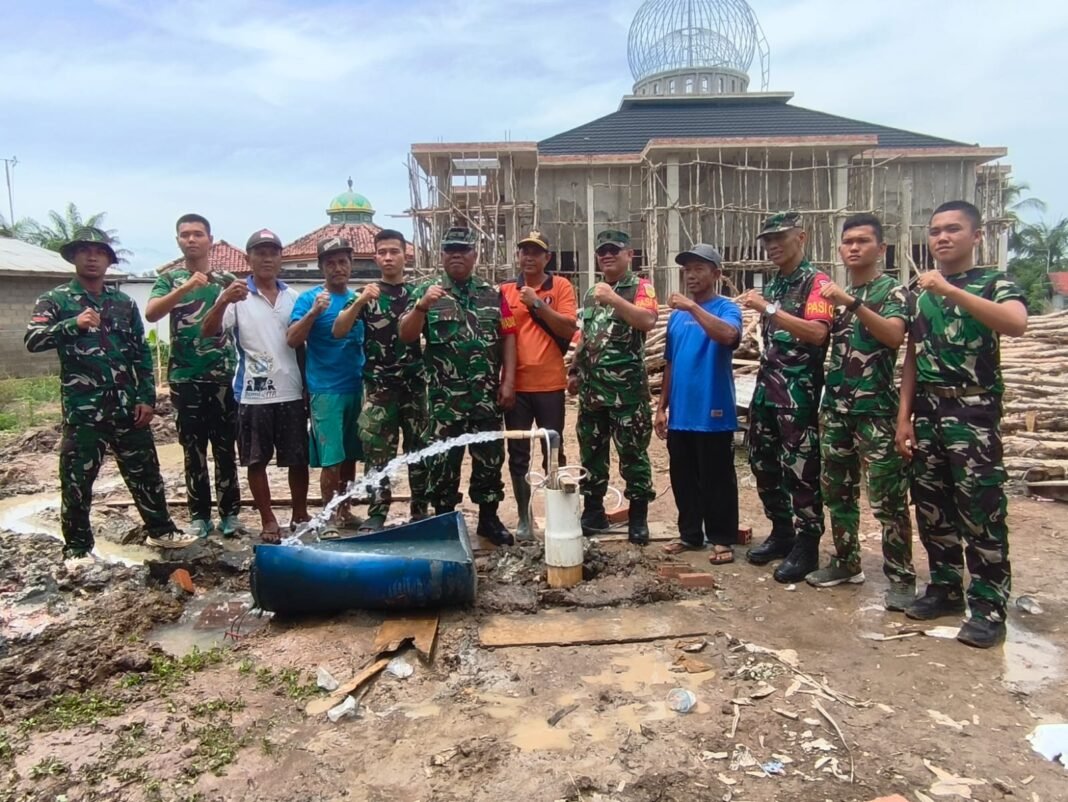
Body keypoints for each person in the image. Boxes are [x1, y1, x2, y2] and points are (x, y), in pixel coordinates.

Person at [895, 200, 1027, 649]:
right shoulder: (920, 293)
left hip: (973, 411)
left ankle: (989, 606)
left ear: (976, 236)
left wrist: (951, 291)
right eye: (935, 231)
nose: (942, 238)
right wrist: (904, 417)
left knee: (981, 508)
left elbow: (1016, 323)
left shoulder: (994, 283)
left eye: (953, 229)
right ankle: (945, 587)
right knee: (931, 504)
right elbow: (912, 356)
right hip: (928, 410)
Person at [25, 227, 193, 564]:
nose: (92, 258)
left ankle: (161, 530)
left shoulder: (123, 303)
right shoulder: (56, 300)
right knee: (77, 480)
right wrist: (72, 324)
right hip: (84, 410)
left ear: (108, 260)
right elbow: (33, 339)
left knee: (146, 472)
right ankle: (77, 548)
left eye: (99, 252)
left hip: (127, 407)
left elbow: (140, 353)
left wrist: (146, 398)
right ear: (74, 256)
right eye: (85, 251)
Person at [806, 214, 916, 611]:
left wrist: (852, 303)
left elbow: (893, 336)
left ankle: (901, 576)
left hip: (876, 412)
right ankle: (846, 561)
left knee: (888, 499)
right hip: (836, 410)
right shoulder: (837, 296)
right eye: (848, 241)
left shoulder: (892, 291)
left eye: (863, 241)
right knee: (837, 492)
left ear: (881, 248)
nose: (853, 247)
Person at [398, 226, 517, 545]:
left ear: (474, 255)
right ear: (442, 255)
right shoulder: (425, 291)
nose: (456, 255)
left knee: (490, 459)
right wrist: (422, 306)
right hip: (444, 401)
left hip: (485, 397)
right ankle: (445, 520)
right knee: (442, 462)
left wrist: (509, 381)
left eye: (463, 250)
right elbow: (406, 335)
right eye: (450, 250)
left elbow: (508, 336)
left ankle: (489, 519)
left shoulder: (492, 294)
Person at [739, 212, 832, 582]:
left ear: (801, 237)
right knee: (762, 461)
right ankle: (782, 532)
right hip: (767, 388)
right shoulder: (776, 283)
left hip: (798, 392)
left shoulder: (816, 282)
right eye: (767, 240)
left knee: (801, 469)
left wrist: (768, 309)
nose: (772, 245)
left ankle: (808, 544)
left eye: (780, 237)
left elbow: (817, 333)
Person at [201, 229, 308, 542]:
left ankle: (300, 514)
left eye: (273, 252)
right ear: (248, 258)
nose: (267, 259)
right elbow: (208, 330)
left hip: (291, 390)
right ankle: (268, 519)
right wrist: (223, 300)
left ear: (281, 258)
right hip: (253, 393)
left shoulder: (293, 297)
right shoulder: (236, 297)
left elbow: (301, 344)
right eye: (260, 253)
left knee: (298, 459)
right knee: (256, 460)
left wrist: (307, 387)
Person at [145, 213, 241, 539]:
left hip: (223, 376)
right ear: (178, 241)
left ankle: (230, 514)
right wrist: (186, 287)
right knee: (193, 450)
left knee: (226, 449)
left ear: (209, 239)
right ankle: (199, 516)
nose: (191, 239)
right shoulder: (170, 280)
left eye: (198, 234)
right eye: (185, 234)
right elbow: (152, 313)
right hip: (185, 377)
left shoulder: (226, 280)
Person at [333, 229, 430, 531]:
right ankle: (377, 512)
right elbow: (338, 330)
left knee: (419, 451)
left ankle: (420, 510)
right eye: (382, 252)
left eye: (394, 251)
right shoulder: (366, 294)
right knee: (376, 454)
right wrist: (359, 302)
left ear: (405, 256)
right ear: (375, 257)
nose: (388, 257)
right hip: (379, 388)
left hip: (414, 386)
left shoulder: (418, 294)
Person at [568, 229, 659, 545]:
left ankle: (638, 518)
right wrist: (574, 370)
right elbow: (587, 335)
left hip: (627, 395)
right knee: (591, 454)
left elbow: (648, 321)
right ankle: (593, 512)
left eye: (614, 250)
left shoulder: (641, 288)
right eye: (602, 251)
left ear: (629, 255)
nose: (606, 256)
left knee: (632, 455)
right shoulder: (592, 292)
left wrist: (614, 299)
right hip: (592, 393)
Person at [654, 244, 742, 564]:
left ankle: (722, 538)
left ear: (716, 274)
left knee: (717, 477)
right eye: (687, 270)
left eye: (699, 269)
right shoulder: (676, 317)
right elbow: (670, 362)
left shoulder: (726, 308)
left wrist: (692, 307)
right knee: (683, 477)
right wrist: (661, 407)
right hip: (681, 413)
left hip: (713, 410)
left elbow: (729, 336)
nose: (691, 275)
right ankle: (690, 534)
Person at [500, 231, 578, 540]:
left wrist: (537, 304)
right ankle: (524, 517)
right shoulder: (505, 290)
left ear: (547, 258)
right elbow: (502, 336)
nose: (529, 257)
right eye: (524, 251)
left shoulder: (560, 286)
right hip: (516, 387)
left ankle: (558, 516)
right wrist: (504, 381)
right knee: (517, 454)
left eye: (536, 252)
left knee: (553, 451)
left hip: (549, 385)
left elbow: (568, 328)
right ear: (518, 256)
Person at [286, 236, 364, 534]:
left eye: (343, 262)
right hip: (325, 390)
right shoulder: (309, 299)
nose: (337, 268)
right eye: (330, 263)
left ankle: (344, 511)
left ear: (351, 265)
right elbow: (292, 339)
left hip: (355, 387)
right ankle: (327, 518)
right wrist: (314, 313)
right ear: (321, 267)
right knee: (332, 459)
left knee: (350, 456)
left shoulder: (357, 299)